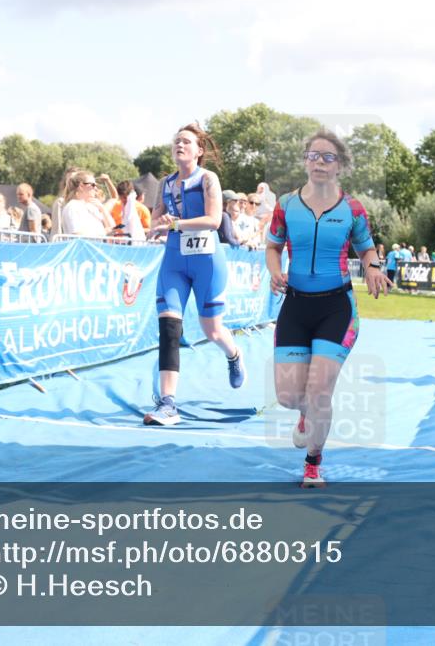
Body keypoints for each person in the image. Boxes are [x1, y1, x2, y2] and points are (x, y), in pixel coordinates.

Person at [266, 129, 392, 488]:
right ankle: (305, 417)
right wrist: (276, 273)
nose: (319, 162)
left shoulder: (352, 209)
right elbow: (273, 247)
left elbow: (366, 248)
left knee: (320, 390)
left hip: (336, 309)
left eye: (328, 157)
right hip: (295, 306)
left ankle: (312, 464)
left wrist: (372, 267)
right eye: (313, 155)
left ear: (340, 166)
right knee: (290, 397)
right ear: (305, 160)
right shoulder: (286, 205)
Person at [145, 123, 245, 425]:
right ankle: (168, 404)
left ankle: (234, 355)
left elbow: (214, 220)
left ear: (199, 151)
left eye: (186, 142)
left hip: (207, 261)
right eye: (176, 141)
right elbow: (155, 218)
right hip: (174, 261)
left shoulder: (208, 178)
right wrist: (157, 225)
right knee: (169, 330)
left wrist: (173, 224)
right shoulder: (166, 183)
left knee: (212, 330)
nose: (180, 145)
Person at [60, 171, 114, 238]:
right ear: (81, 186)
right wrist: (103, 232)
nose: (96, 188)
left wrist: (102, 209)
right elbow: (77, 235)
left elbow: (113, 229)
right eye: (93, 185)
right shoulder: (72, 207)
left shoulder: (91, 207)